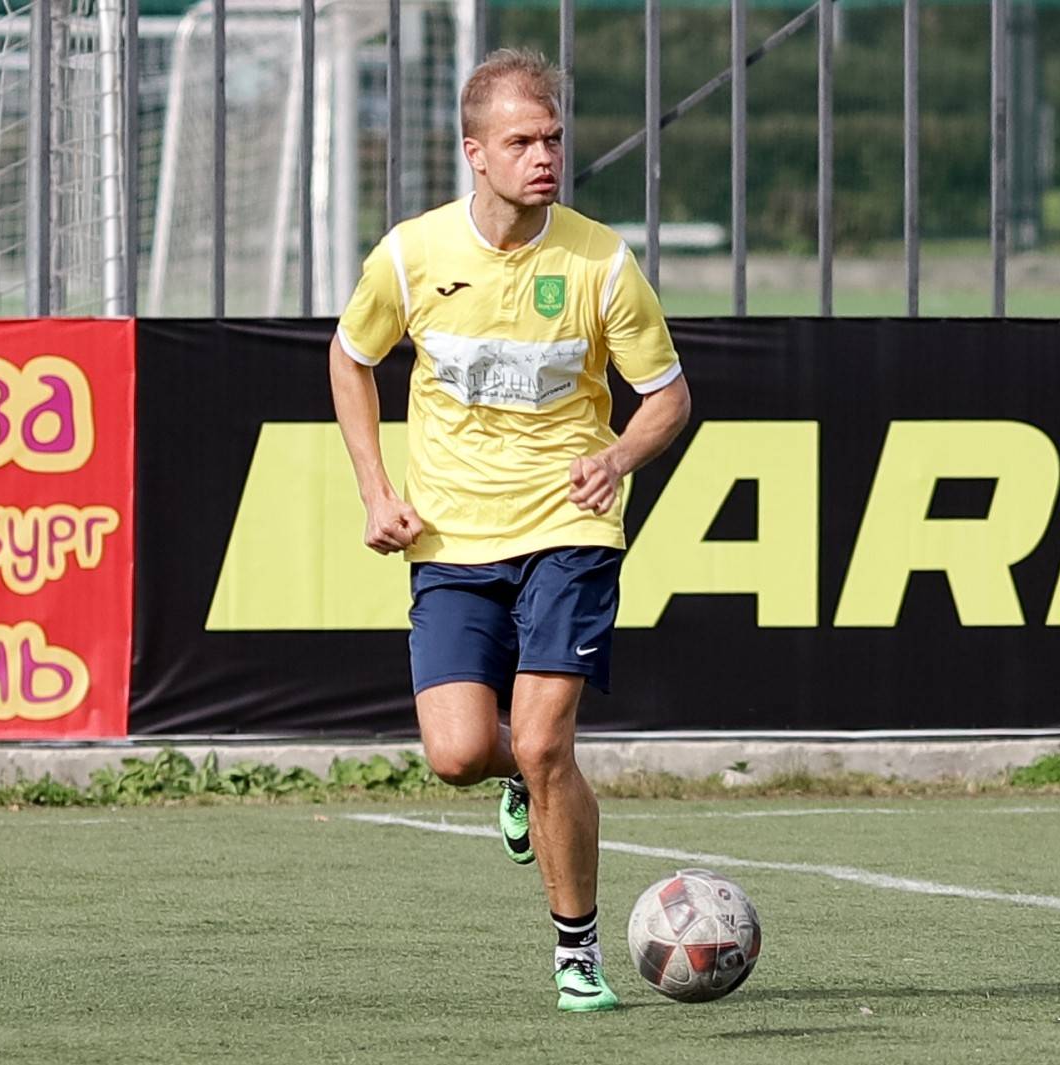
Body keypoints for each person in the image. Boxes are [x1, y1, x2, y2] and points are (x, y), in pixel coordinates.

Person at [328, 47, 691, 1013]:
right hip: (451, 540)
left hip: (570, 530)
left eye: (554, 139)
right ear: (475, 153)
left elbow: (667, 397)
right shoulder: (410, 255)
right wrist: (375, 490)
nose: (545, 157)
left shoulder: (601, 261)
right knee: (457, 753)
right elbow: (350, 357)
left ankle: (577, 952)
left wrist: (617, 457)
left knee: (541, 738)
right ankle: (526, 779)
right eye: (523, 141)